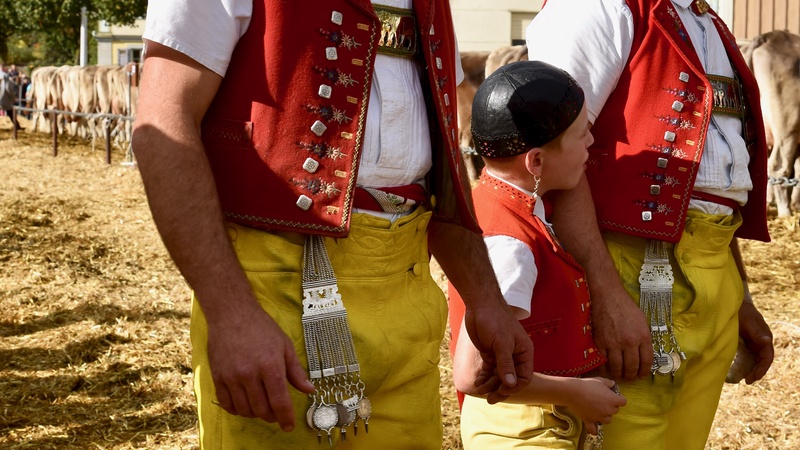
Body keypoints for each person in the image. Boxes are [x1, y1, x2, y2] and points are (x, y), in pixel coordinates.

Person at [132, 1, 534, 449]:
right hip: (273, 292)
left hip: (409, 297)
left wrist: (486, 299)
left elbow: (437, 166)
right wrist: (233, 315)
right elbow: (162, 122)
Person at [526, 1, 775, 449]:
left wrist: (739, 295)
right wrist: (605, 295)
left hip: (713, 269)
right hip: (626, 273)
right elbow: (550, 158)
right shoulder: (596, 7)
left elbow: (713, 183)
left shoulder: (706, 20)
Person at [448, 60, 627, 449]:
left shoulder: (498, 204)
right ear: (537, 161)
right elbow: (473, 374)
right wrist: (577, 394)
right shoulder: (512, 244)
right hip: (523, 430)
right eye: (581, 136)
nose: (591, 144)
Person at [0, 65, 21, 130]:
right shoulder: (5, 76)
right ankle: (17, 127)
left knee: (10, 112)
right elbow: (8, 88)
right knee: (10, 112)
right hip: (4, 98)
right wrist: (13, 97)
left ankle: (17, 126)